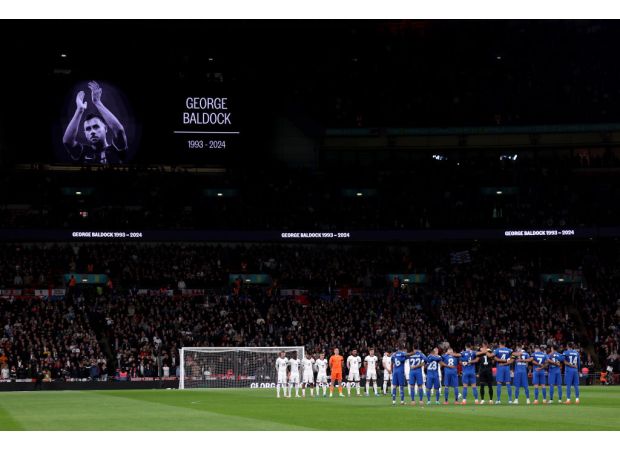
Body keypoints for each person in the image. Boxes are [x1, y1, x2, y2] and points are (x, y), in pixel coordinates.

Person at [63, 81, 128, 164]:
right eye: (88, 129)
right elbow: (67, 141)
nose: (92, 132)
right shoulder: (83, 151)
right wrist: (79, 110)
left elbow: (119, 130)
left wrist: (97, 102)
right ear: (85, 133)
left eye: (96, 127)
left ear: (105, 128)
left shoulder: (116, 148)